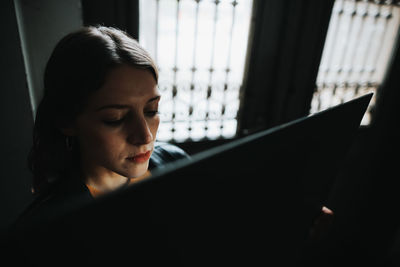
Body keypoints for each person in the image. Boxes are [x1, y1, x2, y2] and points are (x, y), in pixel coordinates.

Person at [16, 25, 190, 224]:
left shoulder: (176, 162)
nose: (145, 137)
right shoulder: (46, 226)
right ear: (66, 120)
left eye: (151, 110)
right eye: (115, 118)